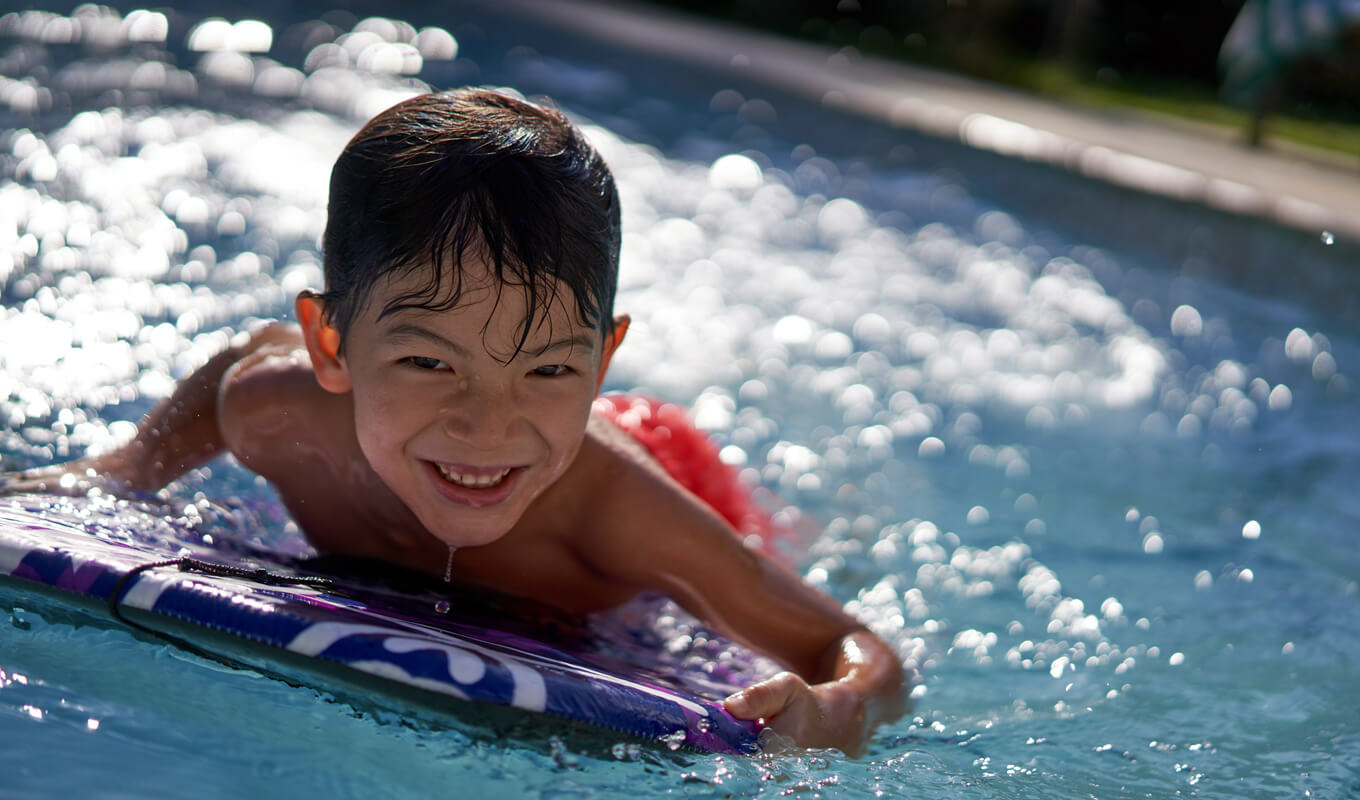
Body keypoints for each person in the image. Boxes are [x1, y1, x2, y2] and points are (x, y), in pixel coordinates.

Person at [1, 88, 907, 755]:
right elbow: (236, 370)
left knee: (793, 540)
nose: (486, 426)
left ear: (600, 361)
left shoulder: (616, 514)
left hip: (664, 456)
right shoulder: (279, 410)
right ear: (332, 348)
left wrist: (838, 706)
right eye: (430, 362)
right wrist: (128, 465)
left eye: (552, 364)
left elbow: (852, 646)